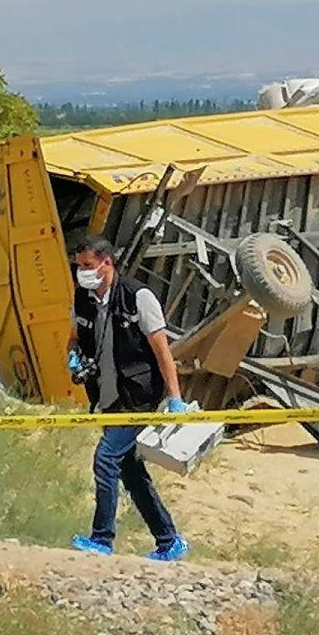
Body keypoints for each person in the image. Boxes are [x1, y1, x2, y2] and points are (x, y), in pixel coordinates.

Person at [68, 236, 190, 562]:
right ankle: (169, 541)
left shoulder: (138, 296)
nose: (82, 273)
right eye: (79, 267)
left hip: (138, 398)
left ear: (106, 263)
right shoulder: (83, 299)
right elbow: (74, 338)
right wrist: (74, 358)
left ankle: (102, 540)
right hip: (108, 398)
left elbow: (161, 349)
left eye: (87, 266)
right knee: (130, 472)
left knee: (106, 460)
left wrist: (175, 399)